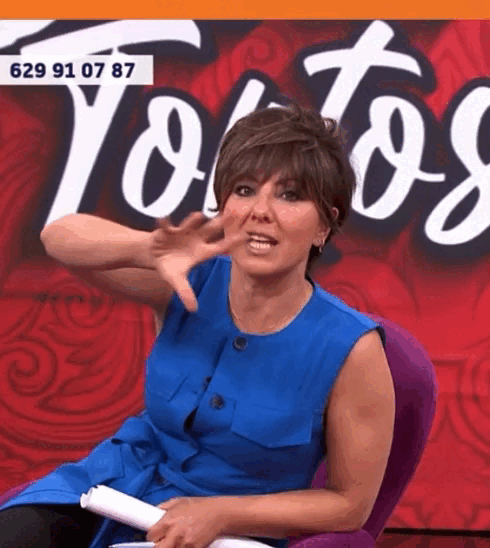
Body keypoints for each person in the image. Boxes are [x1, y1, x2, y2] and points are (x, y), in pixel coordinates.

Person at [0, 102, 395, 548]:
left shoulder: (353, 348)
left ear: (325, 225)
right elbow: (58, 236)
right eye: (244, 190)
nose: (260, 210)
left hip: (225, 531)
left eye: (289, 195)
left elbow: (350, 504)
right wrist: (147, 250)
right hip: (113, 488)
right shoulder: (187, 280)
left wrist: (222, 514)